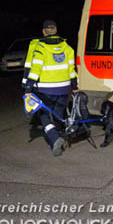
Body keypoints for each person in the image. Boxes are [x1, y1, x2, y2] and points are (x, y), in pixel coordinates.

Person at [24, 20, 78, 156]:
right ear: (55, 30)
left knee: (44, 115)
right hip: (64, 89)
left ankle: (55, 138)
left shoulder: (41, 48)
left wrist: (28, 88)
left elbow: (35, 70)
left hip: (46, 90)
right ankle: (58, 142)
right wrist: (75, 86)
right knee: (58, 114)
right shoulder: (67, 47)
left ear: (43, 32)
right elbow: (72, 70)